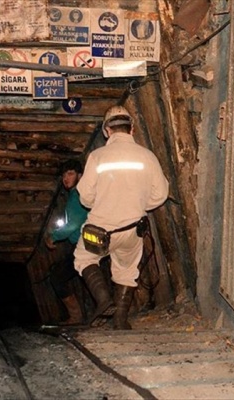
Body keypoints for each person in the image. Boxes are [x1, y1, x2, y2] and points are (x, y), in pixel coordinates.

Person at [74, 105, 169, 330]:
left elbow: (85, 197)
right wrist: (137, 205)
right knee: (126, 272)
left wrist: (102, 203)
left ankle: (103, 298)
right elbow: (161, 195)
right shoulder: (148, 157)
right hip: (131, 230)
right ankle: (120, 321)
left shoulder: (97, 157)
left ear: (107, 131)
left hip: (100, 231)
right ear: (132, 129)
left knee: (84, 259)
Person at [45, 159, 89, 325]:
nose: (65, 178)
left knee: (58, 276)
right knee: (78, 272)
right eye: (64, 175)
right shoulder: (75, 194)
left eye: (70, 173)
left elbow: (73, 224)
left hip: (84, 244)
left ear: (79, 175)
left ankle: (77, 317)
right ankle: (83, 314)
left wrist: (53, 237)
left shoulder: (77, 195)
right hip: (82, 244)